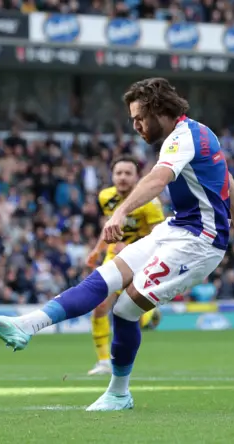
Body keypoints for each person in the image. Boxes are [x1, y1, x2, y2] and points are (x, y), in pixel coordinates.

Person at [0, 77, 234, 411]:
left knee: (124, 310)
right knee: (104, 279)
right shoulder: (200, 132)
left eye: (139, 117)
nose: (135, 126)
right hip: (178, 228)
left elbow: (157, 179)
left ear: (157, 110)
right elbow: (227, 181)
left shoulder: (182, 138)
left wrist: (121, 211)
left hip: (199, 241)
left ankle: (119, 394)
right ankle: (25, 326)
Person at [85, 155, 165, 376]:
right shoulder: (105, 197)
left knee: (128, 313)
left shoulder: (150, 202)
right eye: (118, 173)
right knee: (100, 306)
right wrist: (98, 249)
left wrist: (132, 247)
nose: (122, 177)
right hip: (113, 257)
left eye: (128, 173)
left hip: (140, 259)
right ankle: (103, 362)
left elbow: (159, 236)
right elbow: (108, 226)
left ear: (137, 176)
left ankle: (149, 315)